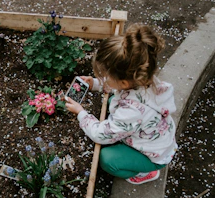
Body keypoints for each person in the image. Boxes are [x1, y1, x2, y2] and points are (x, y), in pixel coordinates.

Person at [65, 23, 178, 185]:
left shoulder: (131, 111)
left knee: (107, 159)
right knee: (112, 100)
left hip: (152, 155)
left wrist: (81, 113)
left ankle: (144, 172)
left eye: (106, 76)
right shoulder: (144, 79)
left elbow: (100, 135)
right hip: (156, 137)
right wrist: (95, 84)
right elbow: (117, 88)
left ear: (124, 82)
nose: (105, 78)